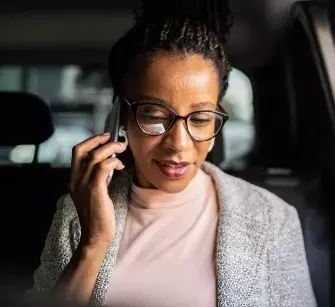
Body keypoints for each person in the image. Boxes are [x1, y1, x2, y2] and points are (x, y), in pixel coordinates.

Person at [27, 1, 316, 306]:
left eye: (201, 118)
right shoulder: (76, 213)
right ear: (120, 119)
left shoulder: (274, 220)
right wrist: (93, 243)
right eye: (154, 116)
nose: (178, 144)